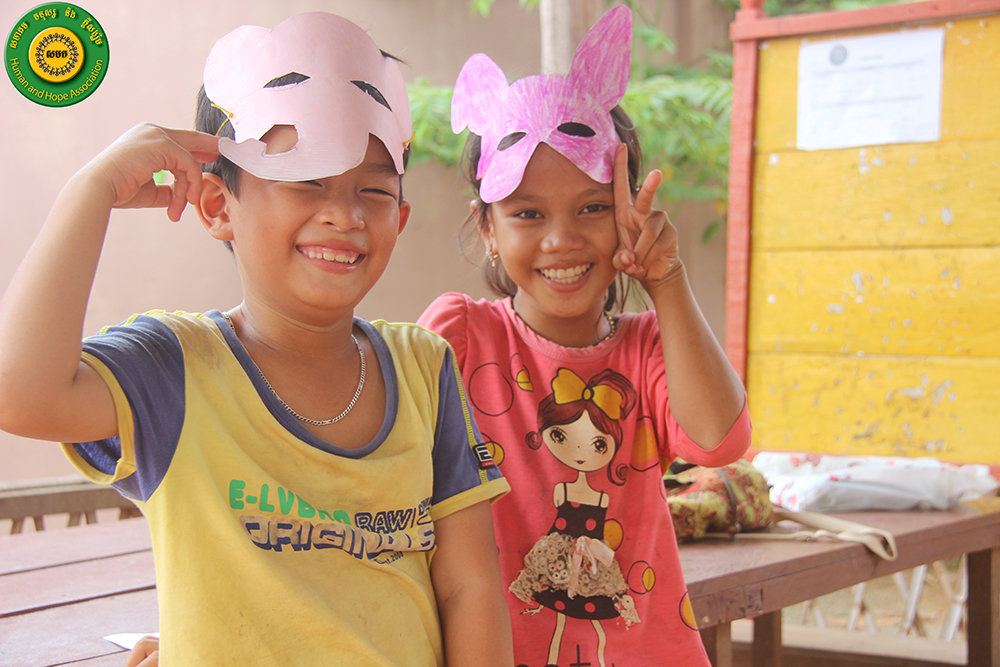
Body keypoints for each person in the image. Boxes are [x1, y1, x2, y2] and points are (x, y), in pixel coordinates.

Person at [0, 12, 512, 666]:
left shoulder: (424, 366)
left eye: (373, 192)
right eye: (307, 182)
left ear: (400, 216)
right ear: (218, 207)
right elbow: (20, 392)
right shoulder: (171, 369)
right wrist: (91, 191)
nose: (345, 215)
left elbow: (469, 584)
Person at [417, 6, 751, 666]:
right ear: (488, 226)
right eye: (527, 214)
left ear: (629, 210)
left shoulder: (651, 344)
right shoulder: (459, 337)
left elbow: (719, 439)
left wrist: (668, 278)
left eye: (593, 207)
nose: (561, 239)